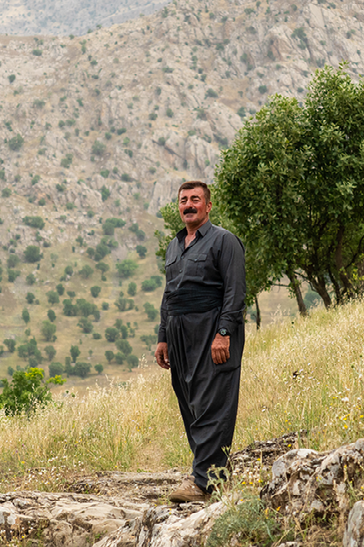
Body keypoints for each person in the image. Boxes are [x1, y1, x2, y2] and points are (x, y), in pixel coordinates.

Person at [155, 180, 246, 503]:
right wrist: (163, 337)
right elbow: (169, 295)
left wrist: (224, 333)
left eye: (196, 199)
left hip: (211, 330)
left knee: (212, 403)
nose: (189, 205)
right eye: (184, 200)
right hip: (180, 334)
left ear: (208, 206)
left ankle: (202, 482)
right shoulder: (174, 246)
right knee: (191, 403)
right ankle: (214, 475)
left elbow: (235, 292)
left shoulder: (224, 242)